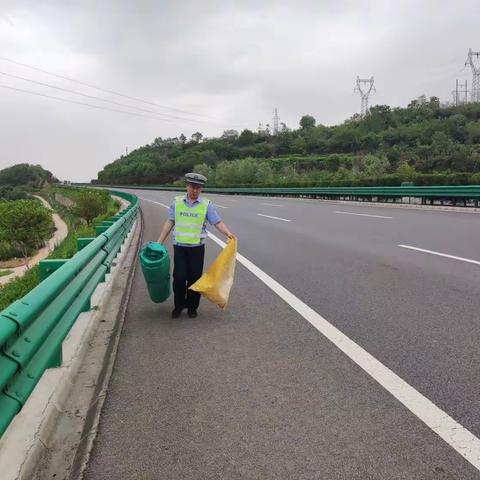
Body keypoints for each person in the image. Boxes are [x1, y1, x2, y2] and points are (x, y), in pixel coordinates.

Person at [157, 172, 236, 318]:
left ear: (201, 189)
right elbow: (170, 221)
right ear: (187, 186)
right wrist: (160, 241)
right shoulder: (177, 203)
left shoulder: (206, 205)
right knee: (179, 278)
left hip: (197, 248)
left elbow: (217, 221)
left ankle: (192, 307)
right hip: (180, 247)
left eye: (198, 188)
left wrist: (228, 233)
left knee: (194, 279)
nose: (194, 190)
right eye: (192, 187)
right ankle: (179, 305)